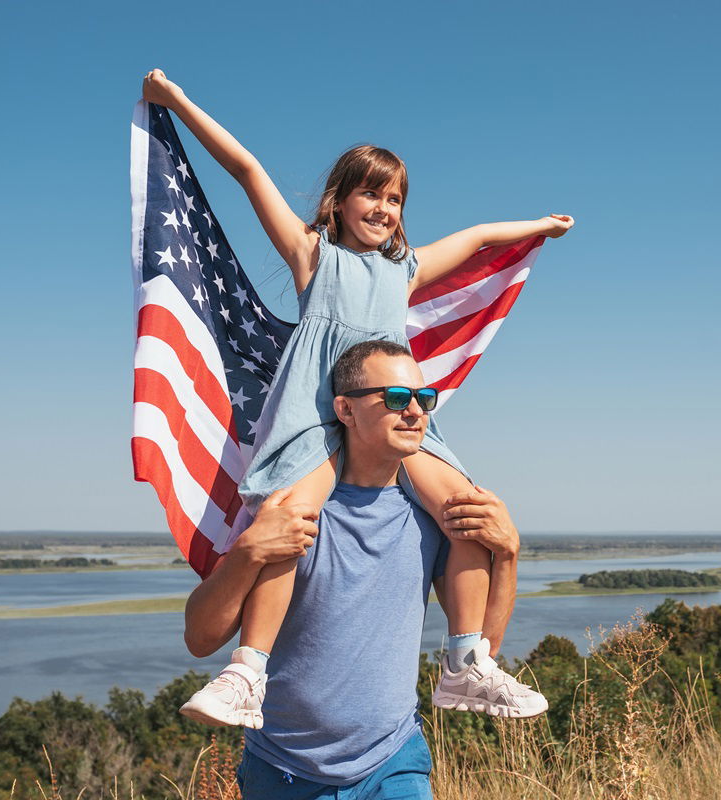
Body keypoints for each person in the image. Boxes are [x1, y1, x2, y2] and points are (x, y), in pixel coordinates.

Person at [140, 68, 571, 726]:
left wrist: (540, 224)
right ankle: (246, 672)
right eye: (370, 194)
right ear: (338, 201)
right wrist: (176, 102)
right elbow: (247, 167)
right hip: (317, 411)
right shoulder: (313, 256)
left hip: (389, 405)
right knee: (287, 523)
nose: (383, 209)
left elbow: (482, 236)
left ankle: (463, 662)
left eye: (394, 198)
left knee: (467, 510)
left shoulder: (406, 269)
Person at [184, 340, 537, 796]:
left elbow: (480, 650)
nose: (413, 411)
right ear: (345, 411)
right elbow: (200, 638)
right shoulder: (292, 509)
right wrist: (250, 550)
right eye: (394, 398)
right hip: (284, 769)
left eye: (422, 399)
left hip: (394, 761)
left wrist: (508, 554)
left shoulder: (434, 517)